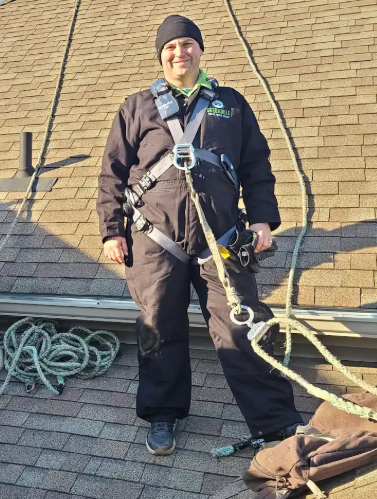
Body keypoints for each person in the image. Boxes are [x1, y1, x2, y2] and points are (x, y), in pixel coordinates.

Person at [96, 15, 302, 456]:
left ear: (200, 50)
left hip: (221, 238)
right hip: (154, 239)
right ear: (160, 56)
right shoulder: (137, 107)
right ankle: (163, 415)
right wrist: (112, 231)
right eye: (170, 48)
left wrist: (263, 219)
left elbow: (256, 165)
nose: (179, 53)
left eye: (187, 44)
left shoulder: (230, 103)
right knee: (158, 326)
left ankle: (276, 420)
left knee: (242, 325)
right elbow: (112, 173)